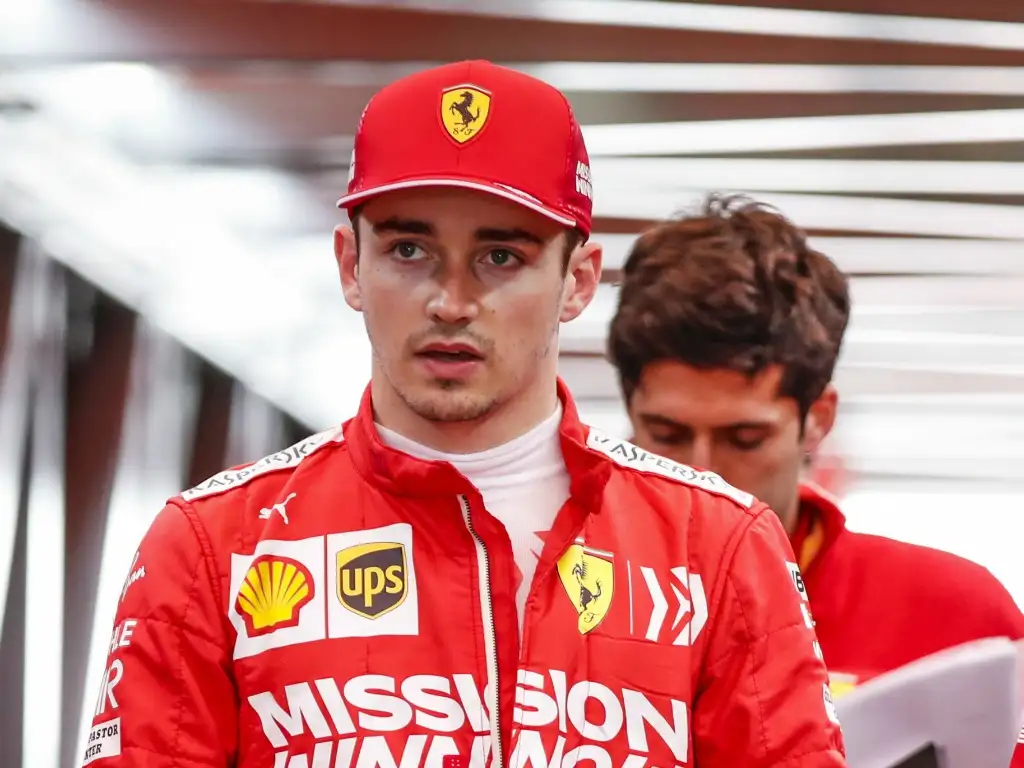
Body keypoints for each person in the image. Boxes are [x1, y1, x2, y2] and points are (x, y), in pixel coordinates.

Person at [80, 62, 845, 768]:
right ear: (351, 265)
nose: (450, 302)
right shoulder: (214, 546)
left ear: (578, 281)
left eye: (500, 257)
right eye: (409, 251)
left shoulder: (717, 546)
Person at [607, 193, 1024, 698]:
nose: (703, 476)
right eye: (667, 435)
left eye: (745, 439)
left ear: (818, 420)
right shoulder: (555, 601)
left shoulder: (958, 620)